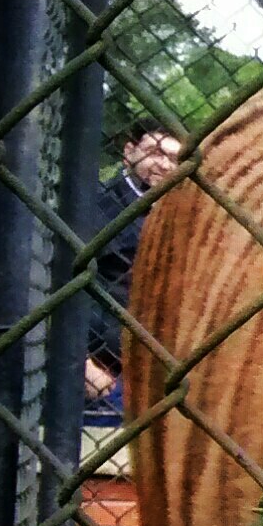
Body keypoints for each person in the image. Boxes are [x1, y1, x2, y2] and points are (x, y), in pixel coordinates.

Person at [84, 124, 182, 409]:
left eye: (174, 159)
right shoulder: (99, 205)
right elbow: (58, 283)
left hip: (161, 372)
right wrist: (80, 364)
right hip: (104, 374)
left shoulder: (183, 213)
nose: (164, 165)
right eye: (155, 152)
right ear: (129, 152)